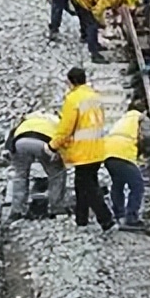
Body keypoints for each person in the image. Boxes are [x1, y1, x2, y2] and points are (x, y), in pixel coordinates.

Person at [48, 67, 116, 232]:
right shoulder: (95, 97)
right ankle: (81, 219)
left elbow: (66, 128)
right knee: (83, 183)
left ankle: (106, 219)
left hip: (83, 151)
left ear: (71, 82)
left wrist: (52, 145)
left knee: (88, 186)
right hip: (97, 148)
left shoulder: (73, 99)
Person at [5, 111, 66, 221]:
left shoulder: (26, 120)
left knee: (20, 176)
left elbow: (9, 140)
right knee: (57, 174)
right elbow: (63, 141)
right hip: (44, 143)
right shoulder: (56, 121)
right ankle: (56, 209)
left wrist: (13, 157)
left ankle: (17, 211)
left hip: (20, 142)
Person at [69, 0, 140, 63]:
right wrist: (101, 23)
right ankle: (94, 54)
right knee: (92, 25)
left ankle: (86, 37)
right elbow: (97, 11)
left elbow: (113, 4)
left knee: (85, 18)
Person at [103, 106, 149, 230]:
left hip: (108, 154)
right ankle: (131, 218)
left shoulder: (123, 120)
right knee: (137, 185)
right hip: (123, 154)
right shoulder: (140, 117)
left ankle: (119, 214)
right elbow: (147, 136)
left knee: (118, 184)